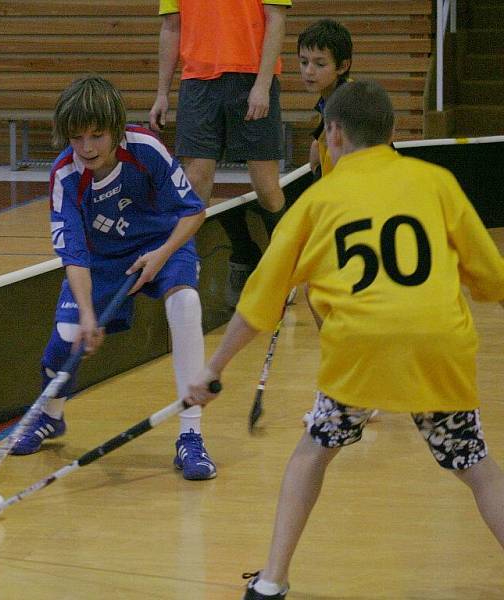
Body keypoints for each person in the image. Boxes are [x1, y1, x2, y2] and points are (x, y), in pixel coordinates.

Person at [187, 80, 504, 599]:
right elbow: (493, 278)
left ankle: (271, 582)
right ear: (393, 132)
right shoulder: (437, 182)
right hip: (438, 344)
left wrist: (213, 368)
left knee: (313, 451)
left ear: (332, 134)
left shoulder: (318, 200)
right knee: (478, 468)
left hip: (359, 348)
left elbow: (260, 303)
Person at [10, 75, 217, 480]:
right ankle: (51, 415)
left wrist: (160, 256)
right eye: (77, 138)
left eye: (97, 136)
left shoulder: (146, 151)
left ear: (117, 130)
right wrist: (88, 313)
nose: (86, 148)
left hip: (163, 243)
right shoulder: (65, 178)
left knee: (186, 304)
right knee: (68, 337)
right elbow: (74, 255)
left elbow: (193, 212)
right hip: (103, 262)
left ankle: (191, 437)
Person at [149, 0, 291, 294]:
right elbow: (171, 27)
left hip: (252, 76)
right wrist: (162, 93)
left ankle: (286, 268)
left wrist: (263, 85)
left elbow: (276, 19)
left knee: (266, 187)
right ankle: (187, 270)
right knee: (195, 181)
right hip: (198, 82)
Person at [298, 18, 353, 179]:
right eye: (303, 62)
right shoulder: (329, 100)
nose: (308, 71)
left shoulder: (351, 106)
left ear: (343, 66)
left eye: (320, 64)